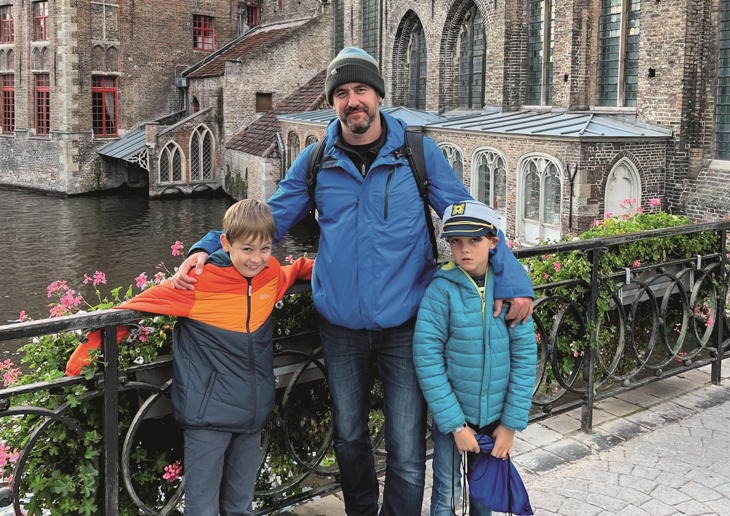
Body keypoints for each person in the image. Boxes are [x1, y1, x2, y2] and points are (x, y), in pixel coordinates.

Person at [171, 47, 534, 516]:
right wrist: (205, 248)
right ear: (332, 103)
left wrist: (512, 277)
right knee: (349, 437)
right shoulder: (316, 161)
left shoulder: (417, 155)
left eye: (361, 89)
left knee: (406, 446)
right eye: (341, 93)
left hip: (406, 324)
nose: (352, 100)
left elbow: (469, 217)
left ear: (379, 96)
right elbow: (266, 224)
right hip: (341, 326)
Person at [66, 199, 313, 516]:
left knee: (241, 507)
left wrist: (332, 268)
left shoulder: (270, 275)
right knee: (202, 509)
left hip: (253, 413)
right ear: (225, 243)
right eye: (247, 249)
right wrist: (79, 364)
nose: (256, 258)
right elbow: (134, 308)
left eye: (265, 249)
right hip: (208, 418)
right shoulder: (198, 283)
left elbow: (296, 271)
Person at [413, 200, 537, 516]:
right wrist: (456, 425)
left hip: (495, 420)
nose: (465, 249)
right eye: (456, 241)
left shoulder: (509, 292)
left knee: (484, 494)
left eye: (475, 240)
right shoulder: (441, 290)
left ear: (493, 242)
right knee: (447, 492)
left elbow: (524, 360)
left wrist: (509, 425)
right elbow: (427, 357)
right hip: (452, 419)